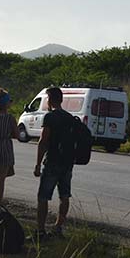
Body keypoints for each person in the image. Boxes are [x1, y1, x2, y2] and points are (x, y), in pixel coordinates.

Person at [34, 87, 75, 239]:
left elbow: (43, 141)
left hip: (52, 161)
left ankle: (40, 231)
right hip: (67, 163)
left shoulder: (49, 117)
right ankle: (58, 228)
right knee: (64, 195)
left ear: (50, 100)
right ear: (61, 100)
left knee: (43, 197)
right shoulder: (70, 118)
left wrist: (38, 164)